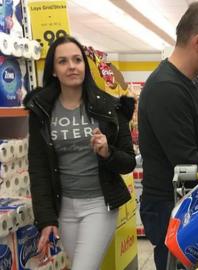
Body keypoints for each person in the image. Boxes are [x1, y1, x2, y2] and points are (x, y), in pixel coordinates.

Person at [24, 36, 136, 270]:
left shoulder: (109, 107)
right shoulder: (41, 111)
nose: (72, 66)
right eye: (63, 61)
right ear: (54, 70)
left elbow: (128, 162)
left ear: (85, 65)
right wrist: (46, 218)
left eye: (77, 60)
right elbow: (39, 168)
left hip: (99, 204)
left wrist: (107, 152)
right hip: (64, 207)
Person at [137, 0, 198, 268]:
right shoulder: (165, 89)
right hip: (172, 206)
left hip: (189, 199)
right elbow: (186, 160)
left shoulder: (193, 83)